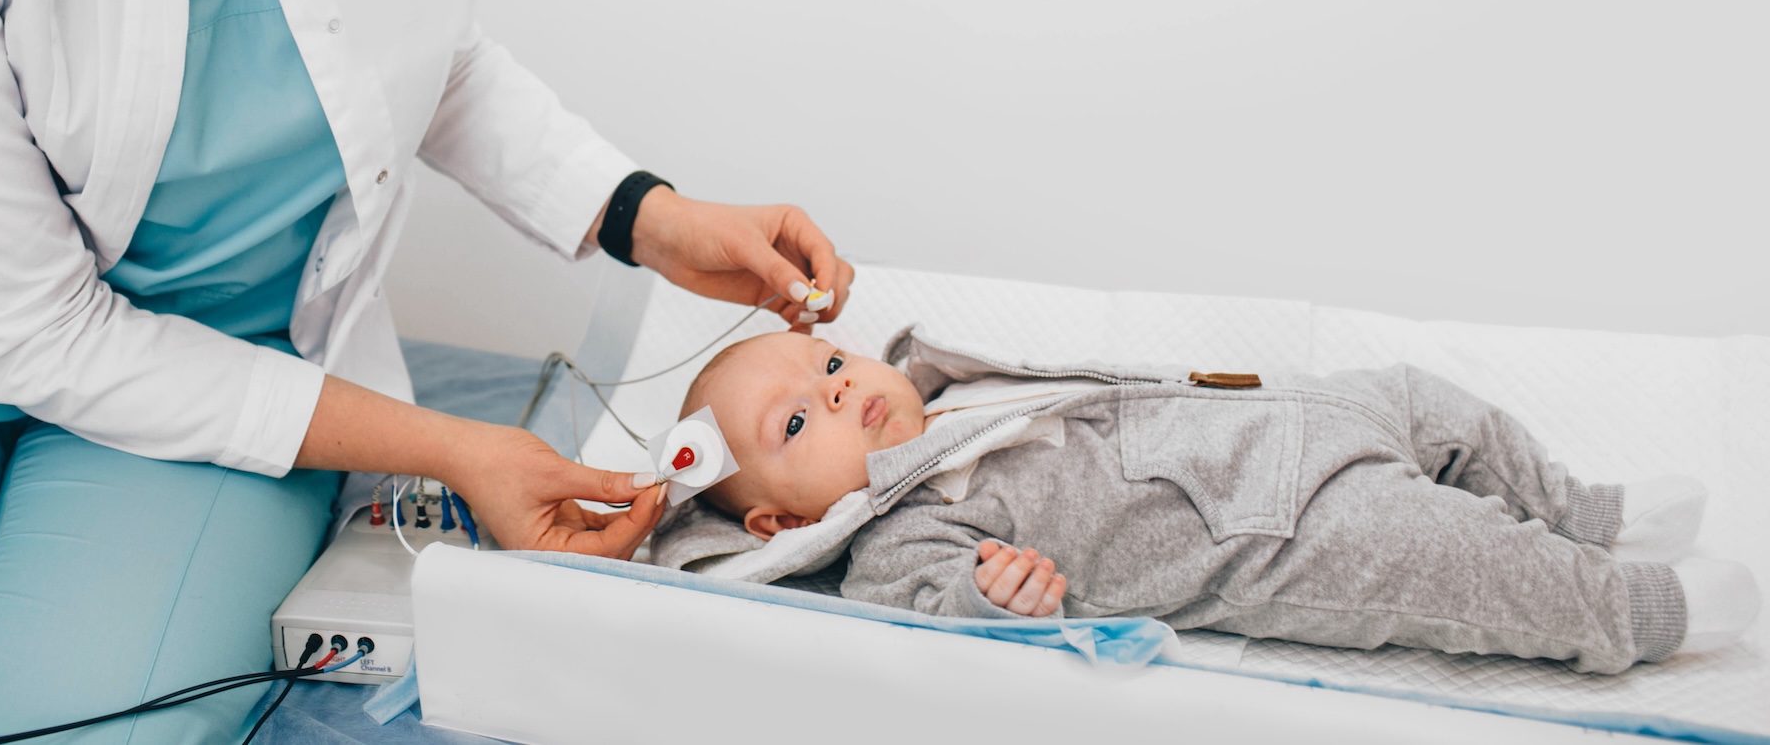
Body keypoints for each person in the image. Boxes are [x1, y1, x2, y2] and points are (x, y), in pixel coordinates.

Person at [0, 0, 851, 742]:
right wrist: (454, 449)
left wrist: (644, 218)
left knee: (62, 721)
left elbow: (423, 49)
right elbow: (27, 327)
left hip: (236, 372)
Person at [660, 328, 1762, 675]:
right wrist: (999, 598)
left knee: (1429, 400)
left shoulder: (953, 383)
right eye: (797, 424)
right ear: (780, 521)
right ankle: (1640, 607)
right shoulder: (896, 533)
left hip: (1290, 416)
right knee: (1454, 559)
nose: (837, 390)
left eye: (829, 363)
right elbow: (931, 607)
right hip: (1273, 532)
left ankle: (1581, 506)